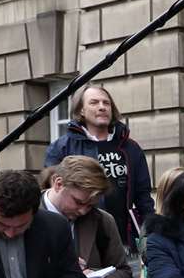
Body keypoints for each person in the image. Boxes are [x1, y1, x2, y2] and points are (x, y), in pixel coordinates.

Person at [43, 85, 156, 250]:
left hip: (126, 240)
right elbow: (52, 194)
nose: (102, 107)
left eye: (106, 103)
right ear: (81, 110)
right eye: (94, 103)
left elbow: (144, 197)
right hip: (81, 241)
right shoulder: (61, 147)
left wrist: (150, 234)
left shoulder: (130, 148)